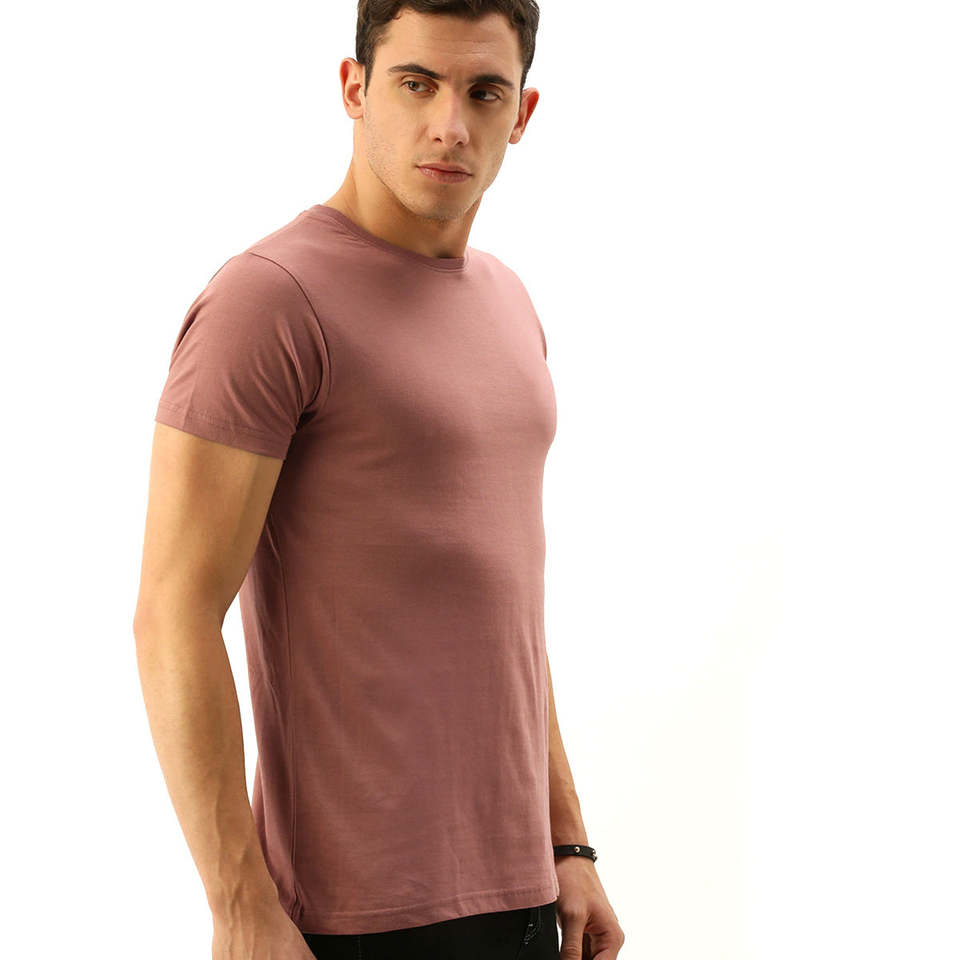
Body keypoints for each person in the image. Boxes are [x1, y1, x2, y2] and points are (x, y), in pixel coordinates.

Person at [133, 2, 625, 958]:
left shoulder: (509, 301)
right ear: (355, 89)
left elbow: (501, 610)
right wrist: (240, 906)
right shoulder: (269, 301)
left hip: (523, 896)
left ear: (522, 113)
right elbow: (172, 613)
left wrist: (567, 841)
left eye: (483, 92)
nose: (450, 125)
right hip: (353, 918)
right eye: (417, 84)